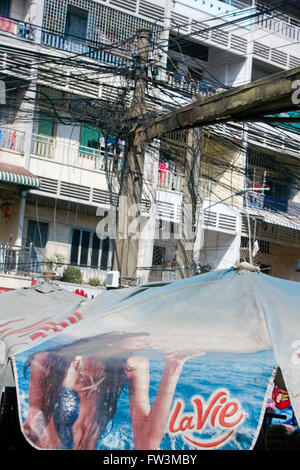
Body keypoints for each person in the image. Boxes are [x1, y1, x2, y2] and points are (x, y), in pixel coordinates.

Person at [22, 331, 191, 450]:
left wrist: (172, 369)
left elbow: (146, 445)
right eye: (132, 330)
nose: (144, 337)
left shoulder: (133, 366)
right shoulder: (48, 360)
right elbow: (34, 422)